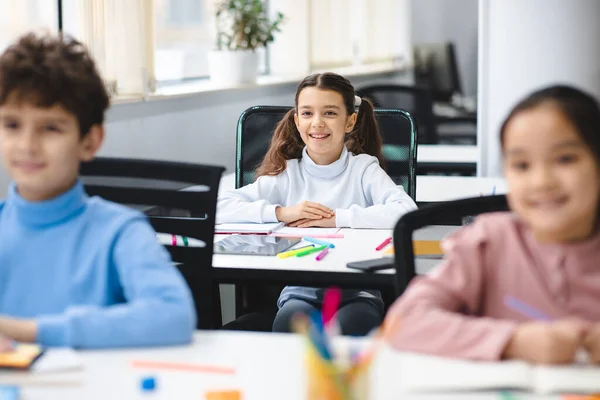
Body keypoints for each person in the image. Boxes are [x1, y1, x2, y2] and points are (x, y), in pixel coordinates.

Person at [0, 32, 196, 348]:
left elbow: (173, 316)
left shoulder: (119, 232)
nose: (27, 145)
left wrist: (27, 331)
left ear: (89, 141)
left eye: (50, 128)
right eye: (11, 125)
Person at [384, 85, 600, 364]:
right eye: (522, 165)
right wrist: (514, 341)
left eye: (565, 159)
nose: (542, 181)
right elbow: (403, 322)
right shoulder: (489, 241)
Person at [217, 72, 417, 335]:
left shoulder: (363, 168)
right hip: (299, 291)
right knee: (289, 326)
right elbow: (221, 206)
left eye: (330, 113)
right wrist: (281, 212)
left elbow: (406, 211)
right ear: (297, 121)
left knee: (354, 328)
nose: (318, 123)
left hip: (359, 291)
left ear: (350, 121)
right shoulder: (287, 174)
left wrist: (336, 218)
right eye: (308, 113)